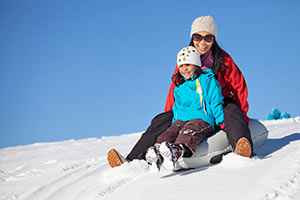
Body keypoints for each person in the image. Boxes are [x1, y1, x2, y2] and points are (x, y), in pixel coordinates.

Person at [107, 15, 253, 168]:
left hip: (218, 101)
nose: (202, 42)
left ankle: (241, 146)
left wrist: (243, 116)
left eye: (208, 38)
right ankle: (131, 161)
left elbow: (239, 87)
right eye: (198, 37)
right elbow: (174, 92)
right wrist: (170, 118)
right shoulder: (185, 61)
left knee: (233, 111)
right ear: (192, 38)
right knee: (160, 120)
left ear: (213, 40)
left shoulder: (223, 59)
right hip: (189, 108)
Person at [144, 46, 225, 170]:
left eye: (188, 64)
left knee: (188, 132)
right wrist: (174, 123)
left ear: (196, 64)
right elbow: (176, 109)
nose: (184, 69)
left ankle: (177, 150)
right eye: (181, 66)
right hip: (181, 120)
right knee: (169, 132)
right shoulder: (179, 87)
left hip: (201, 120)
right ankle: (157, 152)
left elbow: (215, 102)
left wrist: (221, 122)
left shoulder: (207, 80)